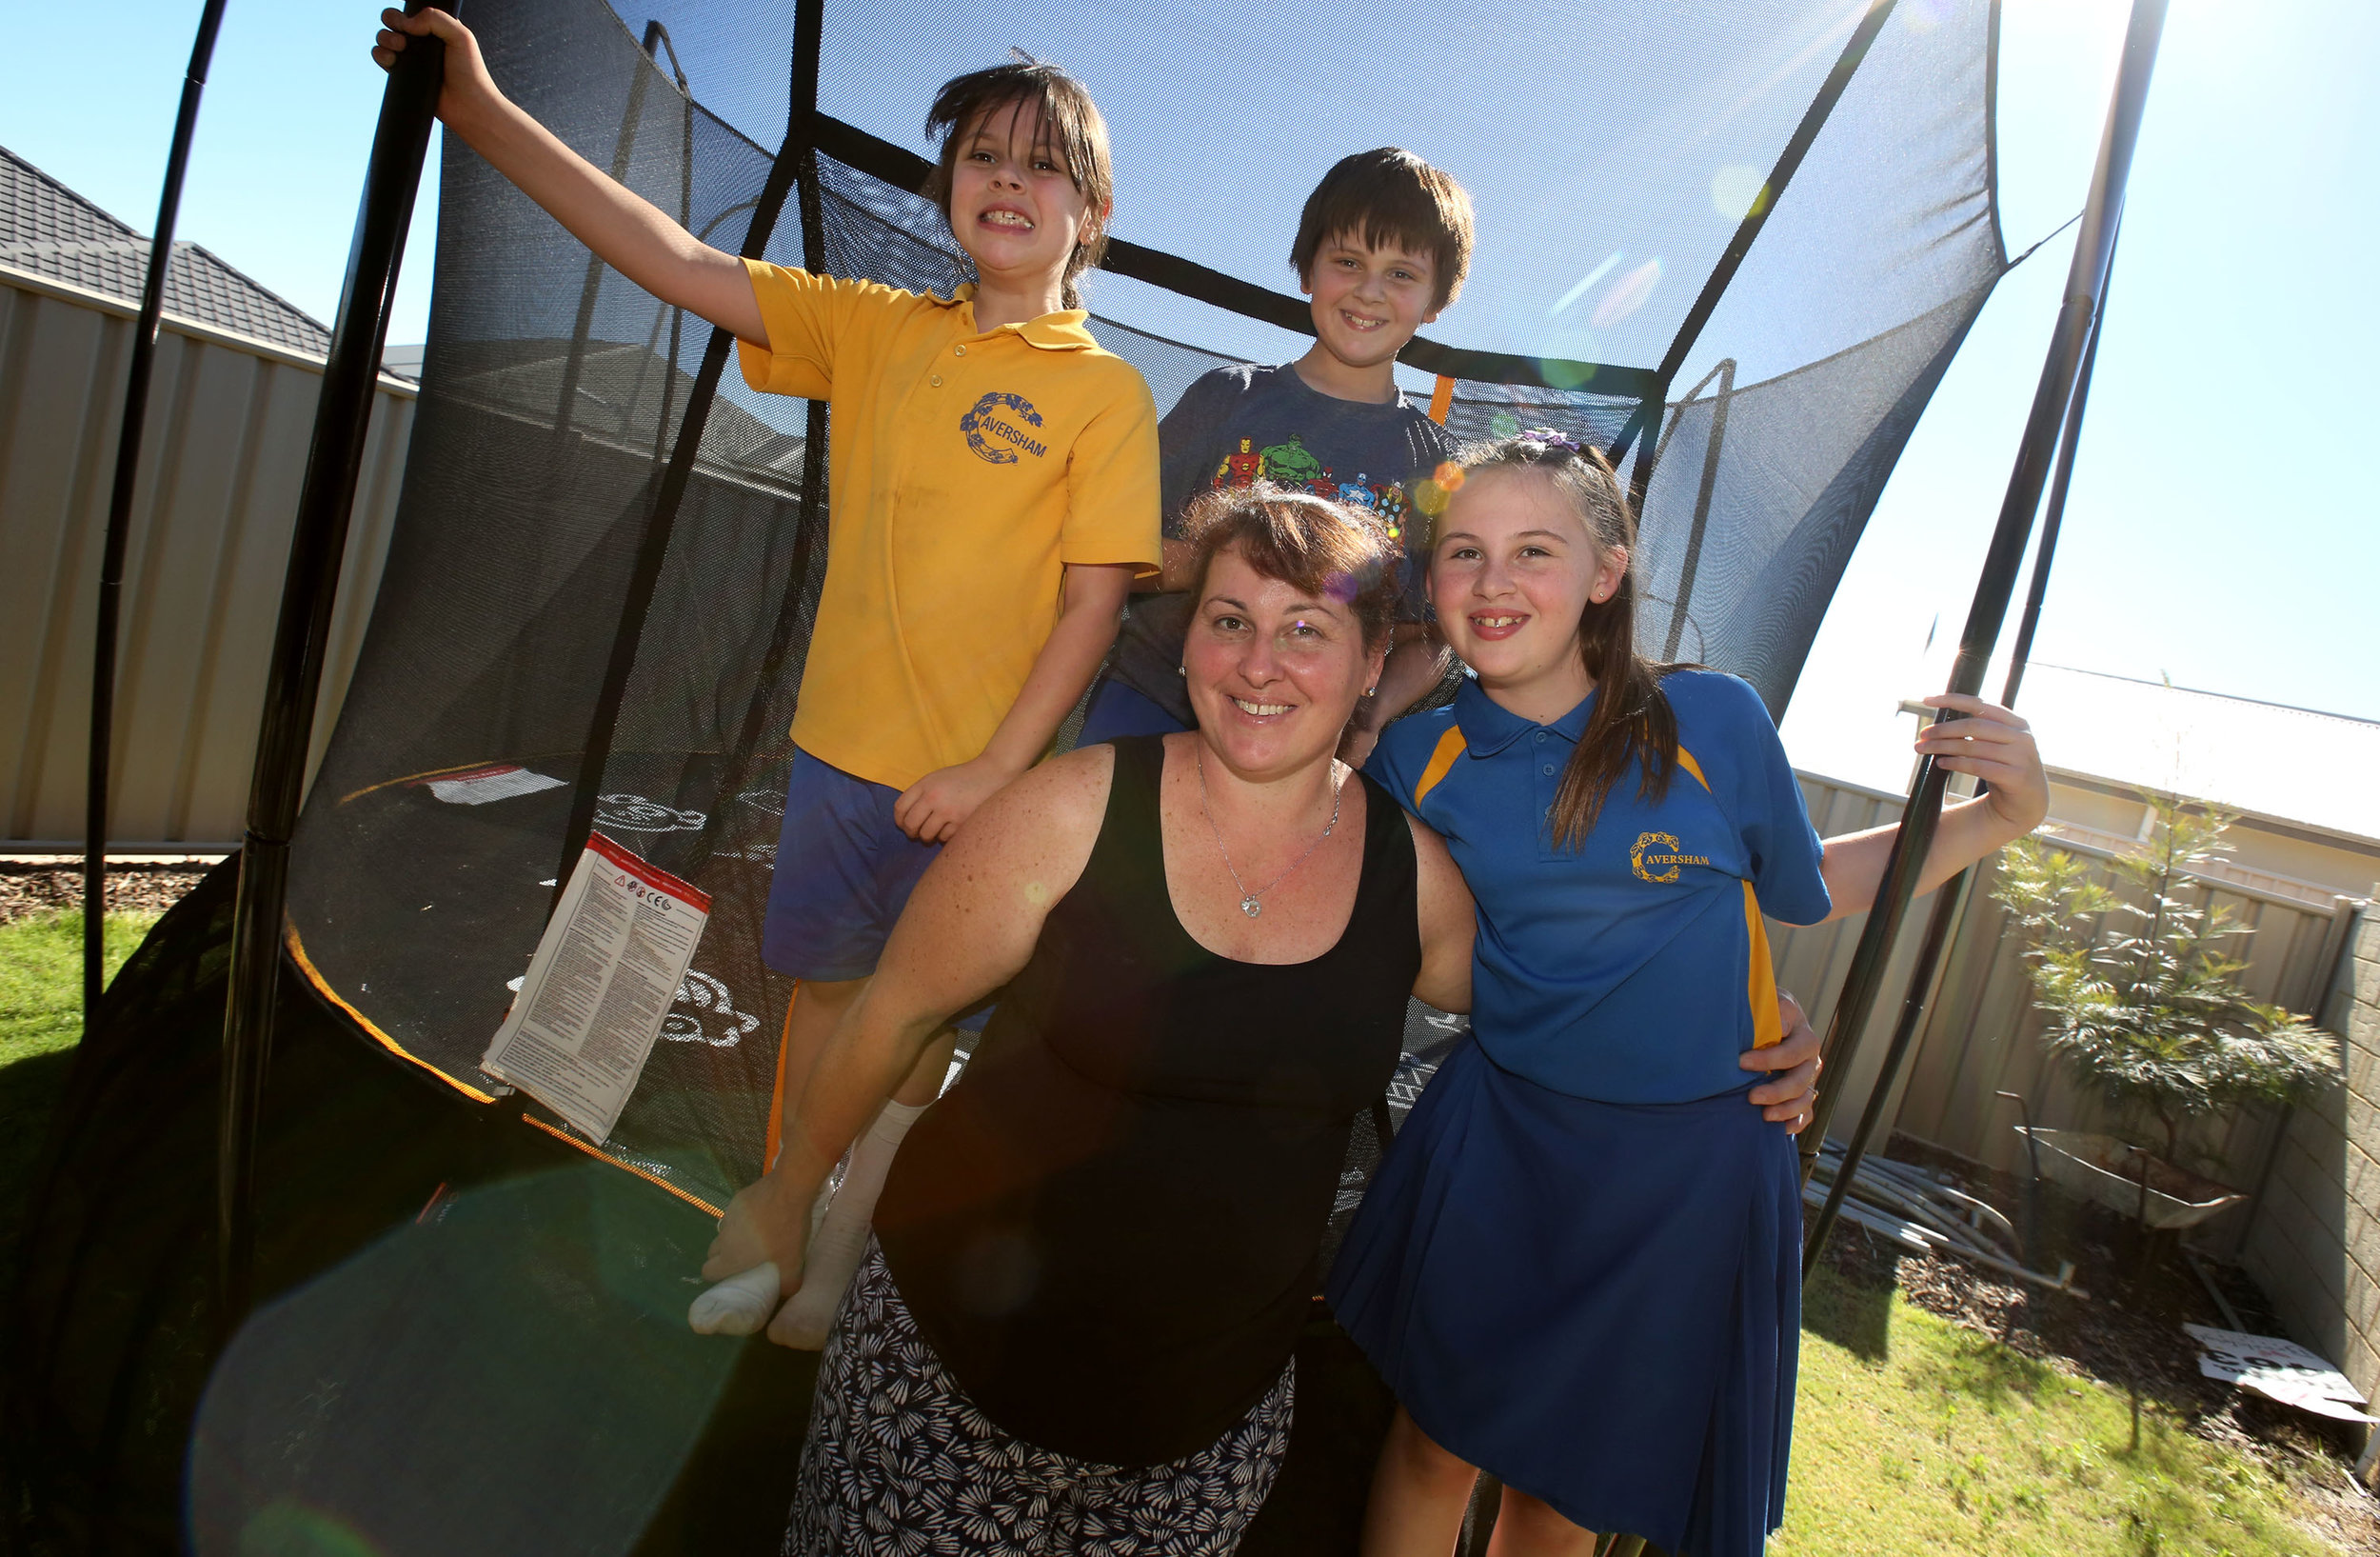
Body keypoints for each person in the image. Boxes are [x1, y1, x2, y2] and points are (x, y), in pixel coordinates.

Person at [696, 488, 1826, 1553]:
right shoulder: (1063, 811)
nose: (1259, 664)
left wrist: (1765, 1017)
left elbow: (1594, 975)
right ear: (1184, 641)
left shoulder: (1413, 877)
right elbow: (893, 1017)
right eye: (1229, 619)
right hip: (939, 1382)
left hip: (1196, 1446)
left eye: (1306, 630)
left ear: (1372, 663)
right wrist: (788, 1192)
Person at [373, 0, 1160, 1342]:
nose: (1008, 180)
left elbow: (1092, 610)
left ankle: (837, 1222)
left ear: (1090, 210)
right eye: (983, 155)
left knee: (917, 1030)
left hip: (985, 789)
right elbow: (676, 259)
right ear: (947, 186)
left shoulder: (1105, 392)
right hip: (840, 755)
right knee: (831, 998)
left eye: (1042, 163)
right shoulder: (874, 325)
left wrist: (990, 771)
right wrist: (481, 111)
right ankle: (779, 1223)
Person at [1332, 433, 2052, 1557]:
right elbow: (1396, 938)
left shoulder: (1711, 721)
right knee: (1433, 1442)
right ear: (1431, 580)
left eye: (1535, 549)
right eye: (1463, 551)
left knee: (1560, 1494)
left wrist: (1999, 817)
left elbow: (1810, 888)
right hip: (1505, 1140)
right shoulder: (1413, 759)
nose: (1494, 580)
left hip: (1688, 1170)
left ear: (1606, 571)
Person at [1079, 149, 1475, 764]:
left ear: (1435, 300)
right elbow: (1116, 552)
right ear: (1307, 270)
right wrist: (1229, 567)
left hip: (1304, 740)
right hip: (1153, 702)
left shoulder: (1437, 464)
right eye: (1348, 261)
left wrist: (1370, 714)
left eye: (1401, 273)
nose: (1369, 292)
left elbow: (1428, 633)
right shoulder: (1226, 399)